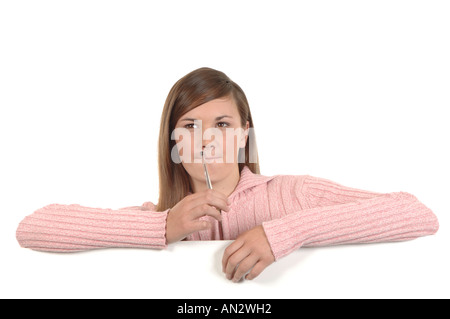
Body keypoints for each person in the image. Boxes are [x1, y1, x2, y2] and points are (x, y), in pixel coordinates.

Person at [16, 67, 439, 283]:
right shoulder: (153, 221)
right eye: (189, 125)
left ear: (243, 136)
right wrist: (164, 226)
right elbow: (32, 229)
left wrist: (283, 234)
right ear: (173, 143)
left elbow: (417, 214)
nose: (206, 140)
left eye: (221, 124)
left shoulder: (293, 194)